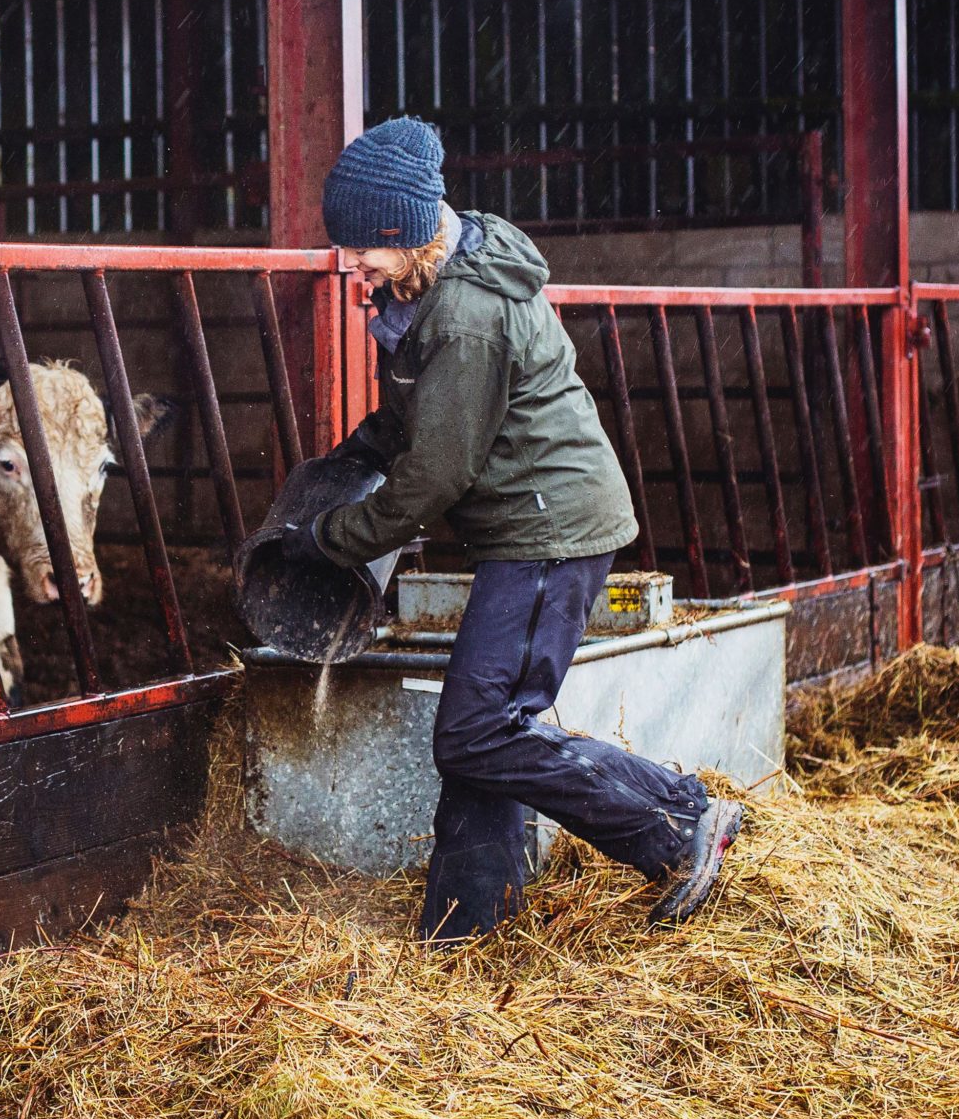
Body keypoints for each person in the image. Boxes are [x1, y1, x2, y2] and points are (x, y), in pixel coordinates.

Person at [304, 116, 744, 942]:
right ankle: (470, 923)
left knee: (478, 731)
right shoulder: (438, 278)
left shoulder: (466, 314)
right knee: (486, 730)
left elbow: (438, 472)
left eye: (362, 245)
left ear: (403, 229)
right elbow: (429, 413)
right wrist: (371, 439)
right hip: (532, 528)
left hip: (551, 535)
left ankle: (679, 824)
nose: (350, 260)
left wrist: (332, 539)